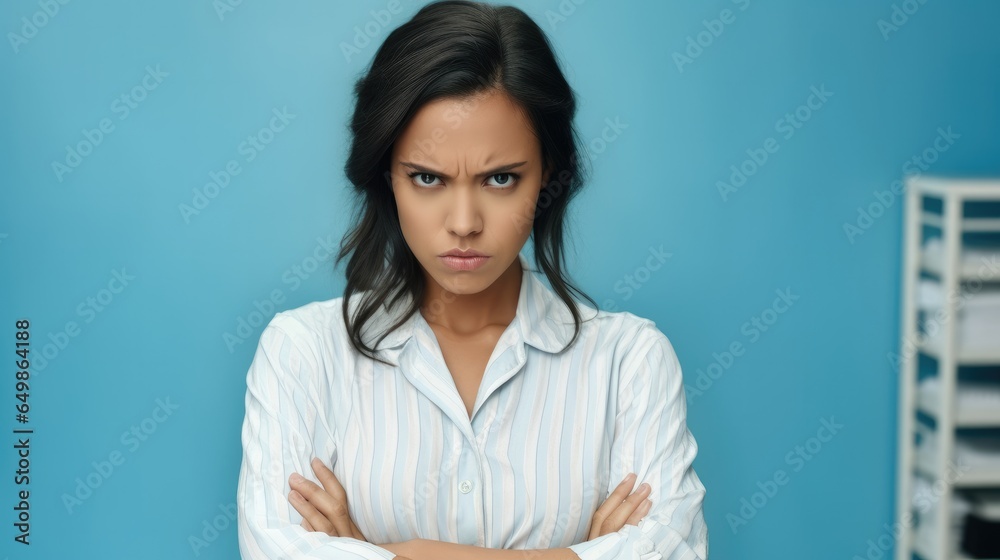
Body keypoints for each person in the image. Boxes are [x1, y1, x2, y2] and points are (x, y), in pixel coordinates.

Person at [235, 1, 708, 559]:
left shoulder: (630, 362)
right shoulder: (303, 354)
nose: (464, 223)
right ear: (387, 175)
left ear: (549, 174)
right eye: (428, 178)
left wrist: (391, 553)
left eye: (501, 178)